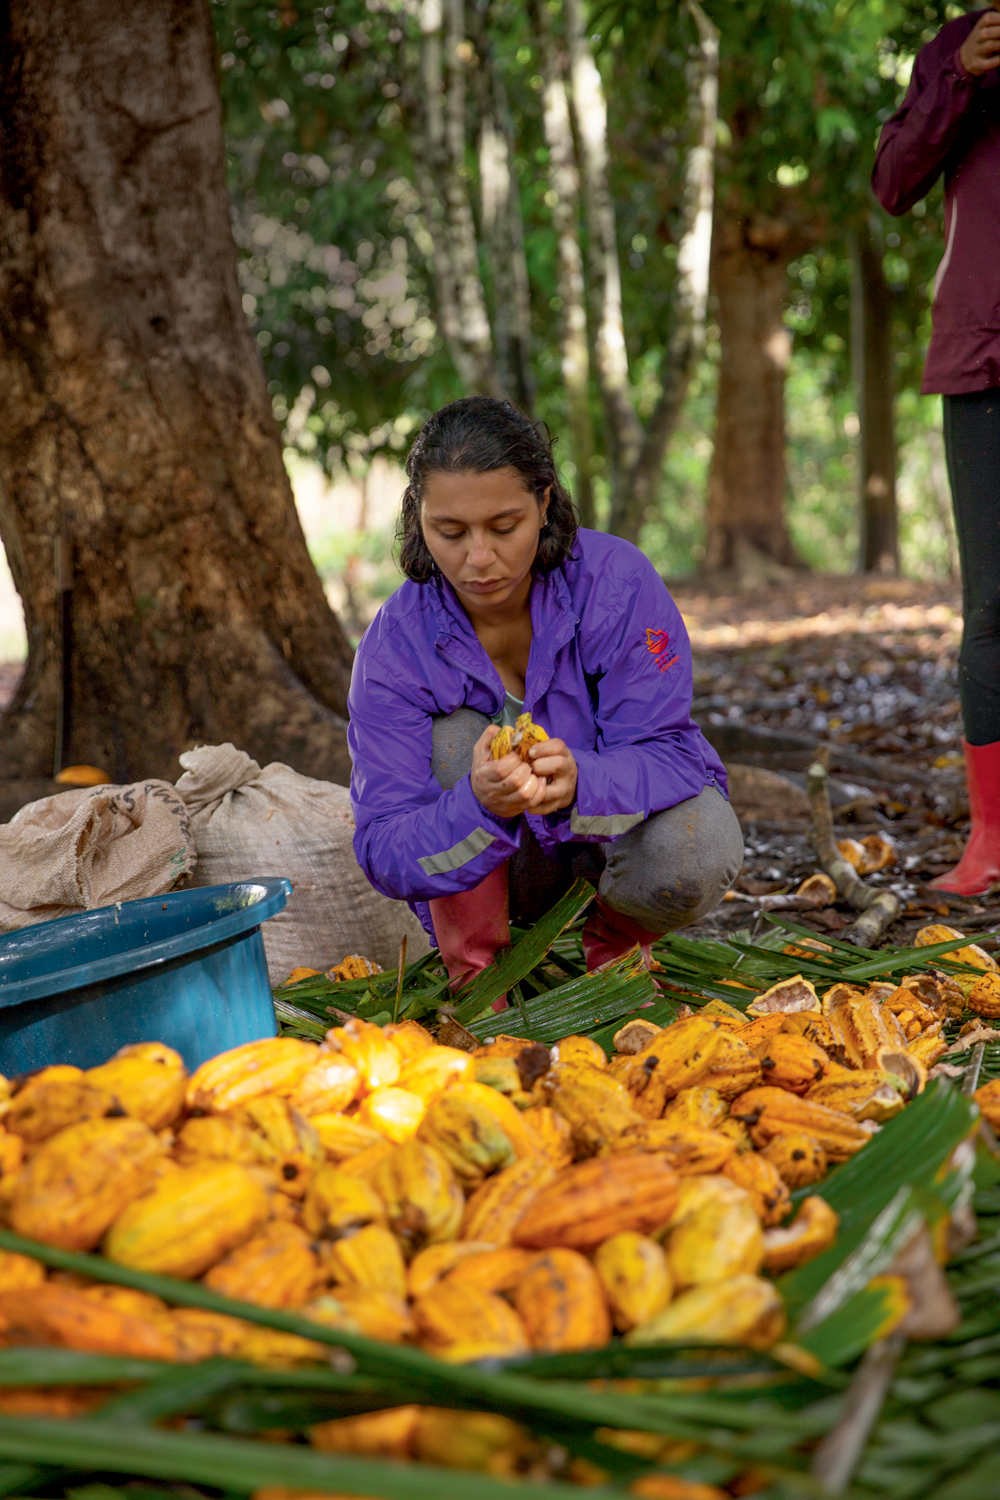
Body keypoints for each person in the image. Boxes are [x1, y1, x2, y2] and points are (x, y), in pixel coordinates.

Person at [347, 396, 743, 994]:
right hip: (494, 866)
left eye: (504, 527)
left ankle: (614, 956)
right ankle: (481, 987)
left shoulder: (617, 584)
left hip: (611, 845)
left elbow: (672, 754)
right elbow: (384, 846)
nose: (480, 559)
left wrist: (582, 779)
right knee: (459, 739)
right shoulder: (394, 647)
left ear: (545, 503)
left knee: (701, 844)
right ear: (418, 520)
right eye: (449, 532)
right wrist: (479, 804)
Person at [872, 3, 1000, 896]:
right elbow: (892, 181)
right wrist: (962, 77)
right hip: (983, 355)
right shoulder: (959, 47)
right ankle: (990, 840)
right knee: (993, 605)